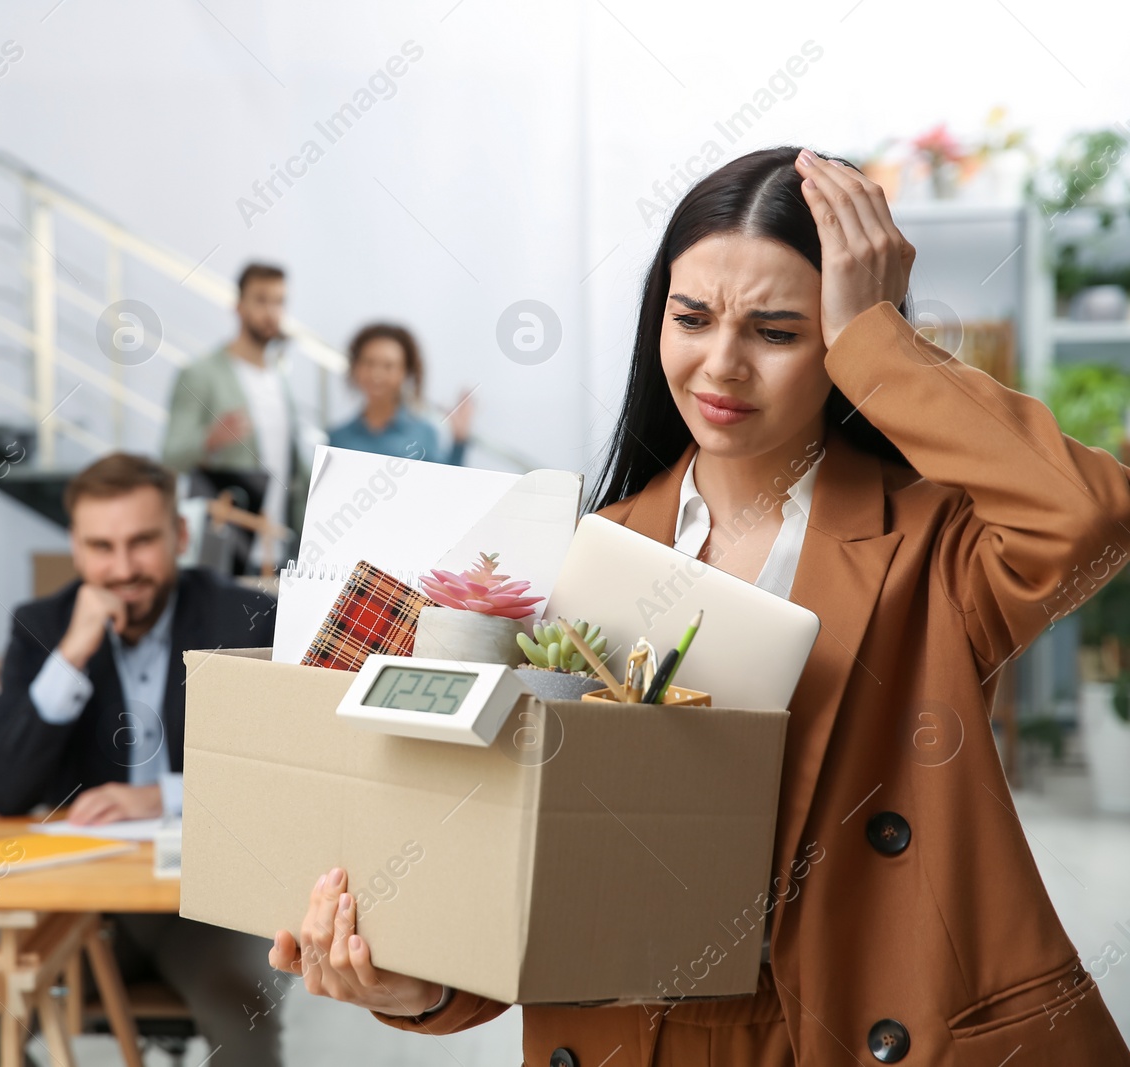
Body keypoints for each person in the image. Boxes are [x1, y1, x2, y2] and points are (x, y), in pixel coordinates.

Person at [269, 147, 1130, 1065]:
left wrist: (884, 343)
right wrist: (426, 985)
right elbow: (524, 856)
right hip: (628, 1035)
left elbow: (1090, 517)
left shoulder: (932, 545)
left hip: (850, 1021)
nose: (721, 366)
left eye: (778, 331)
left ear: (841, 341)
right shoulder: (575, 549)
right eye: (692, 317)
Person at [0, 452, 282, 1066]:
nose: (123, 568)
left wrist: (166, 797)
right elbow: (0, 789)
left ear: (179, 536)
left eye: (142, 542)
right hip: (85, 896)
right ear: (75, 548)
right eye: (101, 547)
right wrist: (71, 654)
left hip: (208, 897)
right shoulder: (42, 625)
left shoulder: (244, 618)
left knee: (241, 1012)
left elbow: (283, 774)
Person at [162, 261, 307, 556]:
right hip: (225, 547)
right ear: (239, 306)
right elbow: (169, 457)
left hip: (278, 545)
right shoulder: (201, 375)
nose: (271, 312)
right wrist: (209, 439)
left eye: (279, 302)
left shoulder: (279, 380)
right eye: (261, 300)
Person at [328, 322, 473, 464]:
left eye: (388, 366)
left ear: (405, 372)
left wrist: (459, 442)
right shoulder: (338, 438)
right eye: (368, 363)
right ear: (356, 368)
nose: (376, 374)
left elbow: (443, 485)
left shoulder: (423, 434)